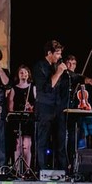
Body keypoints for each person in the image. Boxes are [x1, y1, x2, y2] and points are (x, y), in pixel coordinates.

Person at [32, 39, 68, 172]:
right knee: (43, 141)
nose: (60, 56)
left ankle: (62, 171)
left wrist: (87, 79)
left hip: (58, 109)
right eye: (57, 53)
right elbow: (47, 88)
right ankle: (42, 170)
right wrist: (58, 72)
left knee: (60, 142)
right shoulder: (39, 67)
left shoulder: (55, 66)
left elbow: (71, 76)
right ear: (49, 53)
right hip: (44, 109)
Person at [8, 65, 36, 173]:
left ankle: (27, 170)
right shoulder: (14, 88)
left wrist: (31, 107)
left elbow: (37, 104)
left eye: (25, 72)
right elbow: (10, 103)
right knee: (17, 145)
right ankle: (17, 170)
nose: (23, 74)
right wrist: (12, 114)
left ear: (28, 74)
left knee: (27, 144)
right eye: (21, 72)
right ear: (18, 75)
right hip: (17, 118)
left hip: (28, 119)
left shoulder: (32, 87)